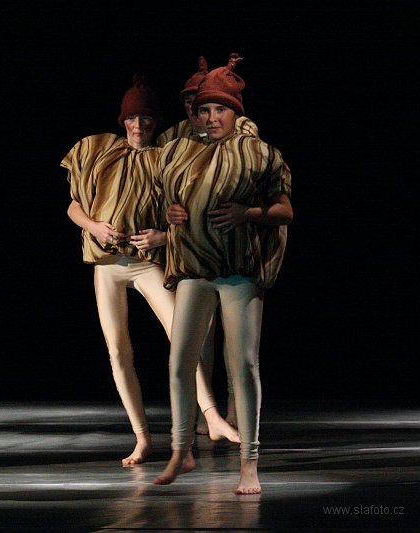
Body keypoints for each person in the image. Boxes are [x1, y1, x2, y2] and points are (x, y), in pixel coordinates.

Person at [62, 75, 239, 468]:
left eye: (145, 119)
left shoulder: (167, 158)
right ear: (123, 121)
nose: (138, 126)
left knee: (183, 336)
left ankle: (211, 415)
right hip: (108, 264)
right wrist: (95, 227)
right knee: (117, 350)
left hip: (146, 264)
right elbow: (74, 206)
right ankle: (141, 438)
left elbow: (191, 213)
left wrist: (162, 236)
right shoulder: (100, 152)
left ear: (155, 122)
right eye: (132, 119)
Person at [151, 54, 293, 494]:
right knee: (180, 362)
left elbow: (285, 211)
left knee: (243, 365)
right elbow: (168, 199)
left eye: (220, 110)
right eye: (205, 110)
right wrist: (171, 213)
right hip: (194, 268)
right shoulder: (178, 152)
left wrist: (247, 213)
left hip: (238, 271)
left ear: (235, 113)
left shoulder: (258, 153)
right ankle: (181, 451)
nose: (211, 118)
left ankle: (249, 463)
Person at [156, 54, 262, 433]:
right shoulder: (173, 140)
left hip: (231, 251)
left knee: (237, 343)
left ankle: (234, 408)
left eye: (199, 101)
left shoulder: (240, 130)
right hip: (191, 255)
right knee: (198, 340)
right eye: (189, 102)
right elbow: (158, 190)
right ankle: (207, 412)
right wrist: (167, 217)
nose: (195, 109)